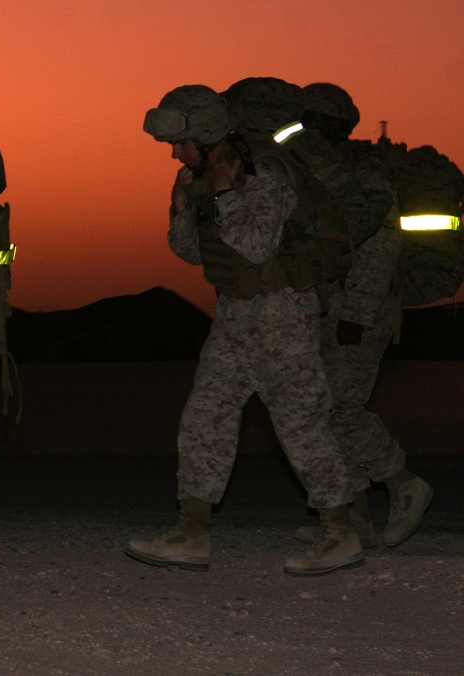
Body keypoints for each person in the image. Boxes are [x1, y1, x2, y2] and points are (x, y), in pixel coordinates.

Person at [124, 84, 360, 575]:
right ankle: (192, 532)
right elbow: (192, 253)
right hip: (235, 315)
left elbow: (255, 247)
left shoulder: (262, 172)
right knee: (204, 418)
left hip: (282, 314)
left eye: (180, 142)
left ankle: (340, 531)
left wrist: (228, 193)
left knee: (301, 425)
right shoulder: (204, 175)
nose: (174, 152)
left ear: (207, 134)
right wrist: (182, 207)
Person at [293, 82, 433, 548]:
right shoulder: (318, 171)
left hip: (359, 310)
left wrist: (356, 311)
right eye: (303, 118)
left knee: (340, 408)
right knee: (322, 408)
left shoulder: (364, 172)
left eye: (315, 119)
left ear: (337, 124)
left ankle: (403, 483)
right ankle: (355, 516)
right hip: (324, 307)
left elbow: (382, 244)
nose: (307, 127)